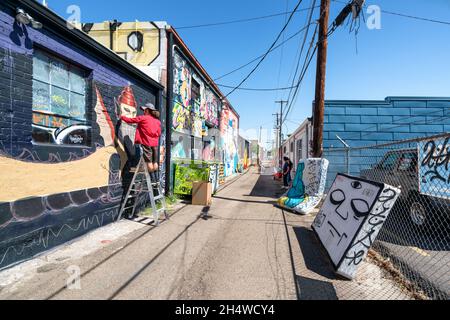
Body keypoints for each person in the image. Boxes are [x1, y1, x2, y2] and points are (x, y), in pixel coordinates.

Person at [120, 102, 161, 181]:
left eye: (144, 110)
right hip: (154, 144)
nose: (143, 111)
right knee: (154, 162)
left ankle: (152, 180)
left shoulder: (143, 118)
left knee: (148, 161)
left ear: (148, 110)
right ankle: (156, 179)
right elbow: (158, 133)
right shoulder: (157, 122)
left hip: (146, 143)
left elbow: (130, 120)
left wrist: (122, 117)